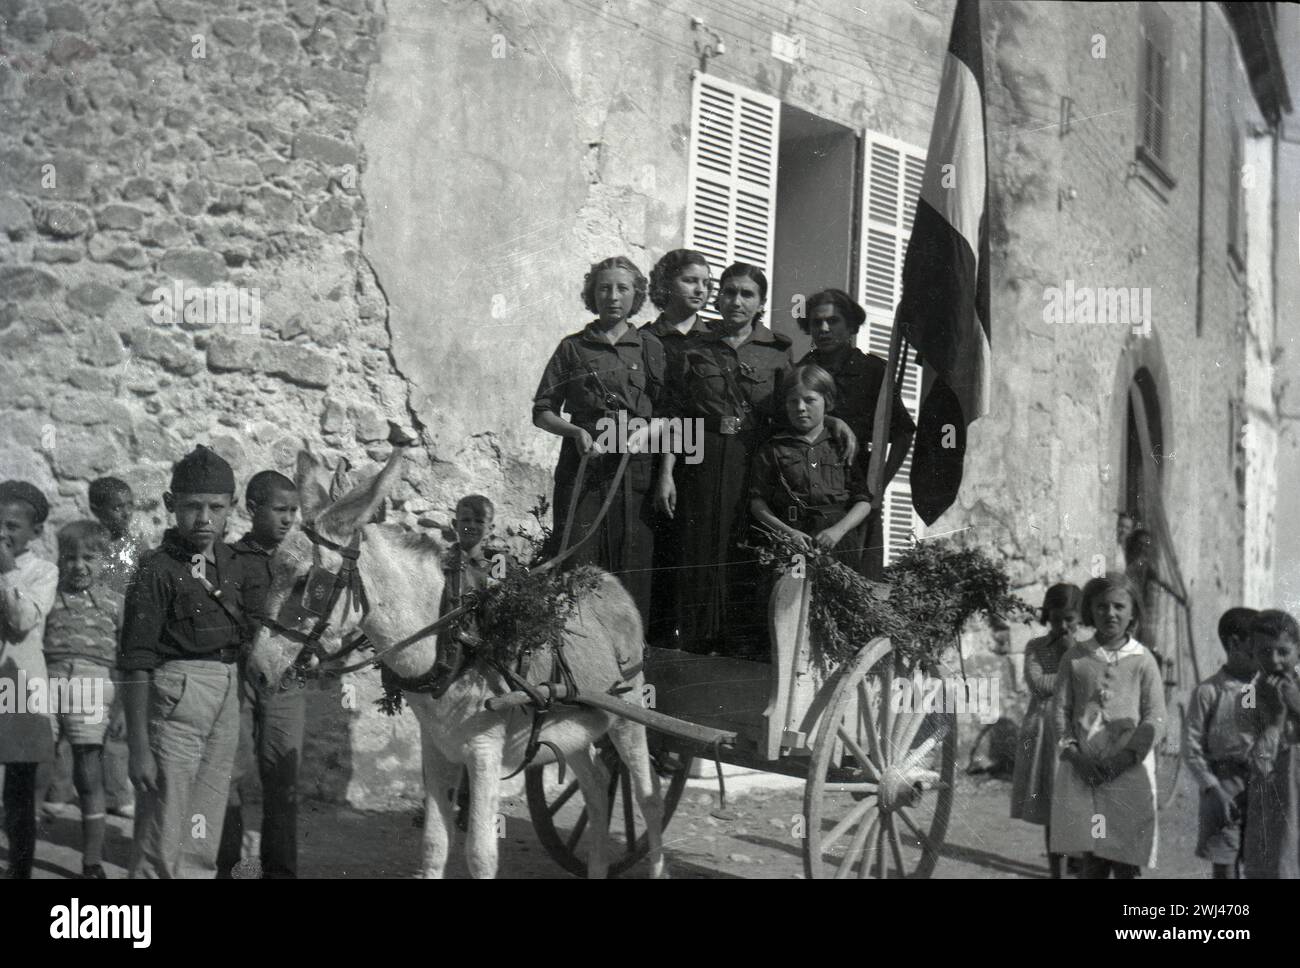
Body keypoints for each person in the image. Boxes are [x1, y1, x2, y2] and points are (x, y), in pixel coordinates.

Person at [657, 263, 857, 657]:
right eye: (729, 292)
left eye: (747, 294)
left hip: (753, 456)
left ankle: (735, 649)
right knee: (695, 547)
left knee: (744, 546)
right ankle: (691, 648)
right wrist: (666, 472)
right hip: (701, 455)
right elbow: (675, 414)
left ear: (761, 303)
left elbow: (797, 399)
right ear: (718, 296)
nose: (736, 301)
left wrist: (832, 419)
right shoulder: (695, 346)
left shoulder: (778, 350)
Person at [118, 446, 248, 878]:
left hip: (226, 694)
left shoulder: (232, 564)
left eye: (216, 507)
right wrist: (138, 747)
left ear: (232, 507)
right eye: (192, 507)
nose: (204, 519)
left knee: (203, 822)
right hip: (175, 696)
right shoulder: (154, 570)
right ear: (172, 506)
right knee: (164, 821)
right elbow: (135, 660)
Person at [533, 255, 665, 625]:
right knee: (579, 563)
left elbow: (672, 412)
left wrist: (650, 431)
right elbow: (542, 411)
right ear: (592, 294)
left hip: (634, 466)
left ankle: (630, 664)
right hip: (584, 464)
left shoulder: (650, 347)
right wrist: (575, 432)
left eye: (623, 288)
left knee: (632, 564)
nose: (613, 296)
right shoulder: (572, 348)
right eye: (604, 288)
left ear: (636, 295)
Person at [217, 470, 304, 879]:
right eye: (280, 510)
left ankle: (280, 872)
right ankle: (229, 868)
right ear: (252, 509)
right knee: (230, 775)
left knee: (283, 783)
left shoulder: (303, 563)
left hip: (286, 683)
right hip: (239, 679)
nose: (289, 519)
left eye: (294, 511)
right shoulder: (230, 559)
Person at [1050, 572, 1165, 879]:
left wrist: (1126, 758)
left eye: (1118, 606)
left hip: (1128, 771)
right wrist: (1074, 756)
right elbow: (1060, 711)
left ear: (1132, 612)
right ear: (1090, 610)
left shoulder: (1143, 660)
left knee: (1126, 855)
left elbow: (1156, 715)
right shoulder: (1076, 658)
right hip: (1084, 770)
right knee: (1092, 856)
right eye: (1101, 606)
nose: (1110, 613)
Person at [796, 289, 914, 578]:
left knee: (859, 580)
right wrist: (831, 421)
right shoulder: (800, 371)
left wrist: (879, 485)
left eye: (833, 321)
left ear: (851, 326)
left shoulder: (874, 372)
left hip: (857, 487)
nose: (823, 329)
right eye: (816, 322)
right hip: (807, 485)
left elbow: (903, 433)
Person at [42, 520, 124, 879]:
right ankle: (22, 847)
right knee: (35, 765)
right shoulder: (49, 595)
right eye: (70, 557)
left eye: (89, 557)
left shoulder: (114, 602)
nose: (79, 565)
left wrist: (120, 707)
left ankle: (91, 861)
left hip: (93, 683)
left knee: (88, 771)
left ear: (104, 561)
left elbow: (125, 658)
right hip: (48, 680)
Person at [642, 250, 713, 648]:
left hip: (701, 462)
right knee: (656, 559)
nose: (701, 289)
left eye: (706, 282)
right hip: (649, 459)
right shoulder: (645, 339)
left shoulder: (715, 339)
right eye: (690, 280)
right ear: (667, 284)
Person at [748, 363, 872, 570]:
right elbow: (757, 503)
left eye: (810, 400)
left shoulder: (842, 446)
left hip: (837, 538)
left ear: (828, 401)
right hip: (793, 536)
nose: (800, 408)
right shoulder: (773, 448)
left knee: (841, 599)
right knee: (791, 599)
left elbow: (864, 502)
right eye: (793, 401)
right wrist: (789, 533)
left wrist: (838, 531)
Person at [0, 480, 58, 879]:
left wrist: (6, 571)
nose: (2, 533)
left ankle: (19, 871)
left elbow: (21, 621)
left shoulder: (42, 572)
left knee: (18, 791)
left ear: (35, 533)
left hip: (20, 688)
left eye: (12, 526)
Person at [1009, 582, 1081, 879]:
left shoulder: (1085, 649)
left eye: (1069, 620)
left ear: (1079, 619)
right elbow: (1038, 685)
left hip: (1078, 730)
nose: (1062, 626)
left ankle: (1080, 862)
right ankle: (1058, 872)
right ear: (1047, 616)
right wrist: (1069, 667)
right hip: (1046, 733)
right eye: (1056, 619)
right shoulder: (1035, 647)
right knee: (1055, 808)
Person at [1184, 607, 1258, 879]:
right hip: (1221, 785)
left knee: (1259, 859)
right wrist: (1213, 789)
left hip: (1261, 784)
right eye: (1257, 646)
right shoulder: (1209, 692)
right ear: (1235, 644)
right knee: (1224, 861)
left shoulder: (1266, 691)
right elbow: (1191, 748)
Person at [89, 475, 145, 822]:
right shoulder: (91, 546)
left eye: (129, 506)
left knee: (122, 718)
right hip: (98, 638)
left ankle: (118, 791)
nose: (123, 513)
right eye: (115, 507)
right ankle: (88, 788)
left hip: (129, 639)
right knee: (94, 715)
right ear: (96, 510)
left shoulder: (139, 547)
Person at [1243, 609, 1300, 879]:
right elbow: (1257, 763)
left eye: (1283, 652)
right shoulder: (1248, 699)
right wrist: (1277, 720)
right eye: (1265, 652)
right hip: (1273, 809)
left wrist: (1296, 705)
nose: (1275, 661)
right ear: (1252, 654)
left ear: (1298, 652)